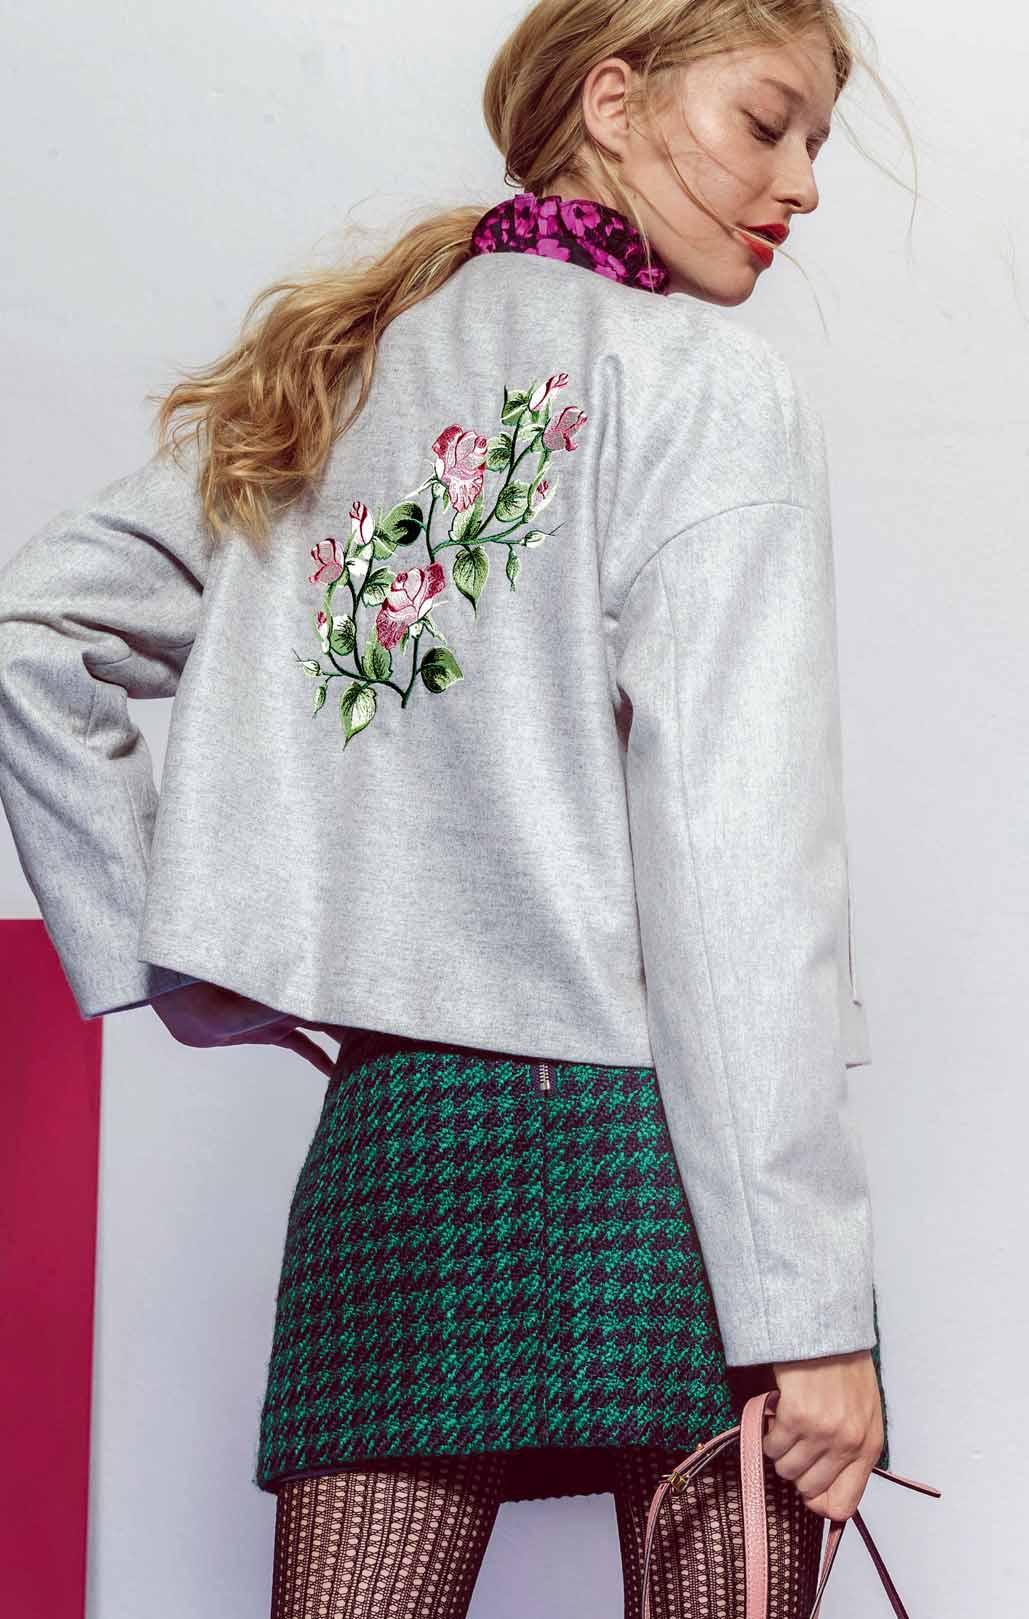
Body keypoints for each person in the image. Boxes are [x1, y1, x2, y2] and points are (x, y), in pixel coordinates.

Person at [0, 2, 907, 1615]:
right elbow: (736, 873)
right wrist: (809, 1310)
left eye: (815, 143)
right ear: (612, 103)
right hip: (658, 1161)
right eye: (766, 122)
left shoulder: (341, 376)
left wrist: (183, 954)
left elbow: (33, 635)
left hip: (398, 1142)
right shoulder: (700, 384)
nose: (801, 184)